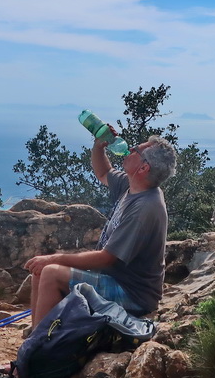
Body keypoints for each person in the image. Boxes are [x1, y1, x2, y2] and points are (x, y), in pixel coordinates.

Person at [23, 132, 177, 326]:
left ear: (144, 167)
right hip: (113, 279)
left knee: (51, 272)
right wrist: (98, 146)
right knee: (42, 270)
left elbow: (106, 258)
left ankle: (40, 348)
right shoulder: (133, 186)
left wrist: (54, 258)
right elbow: (103, 173)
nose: (130, 150)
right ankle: (36, 338)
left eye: (136, 150)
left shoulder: (145, 207)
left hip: (132, 295)